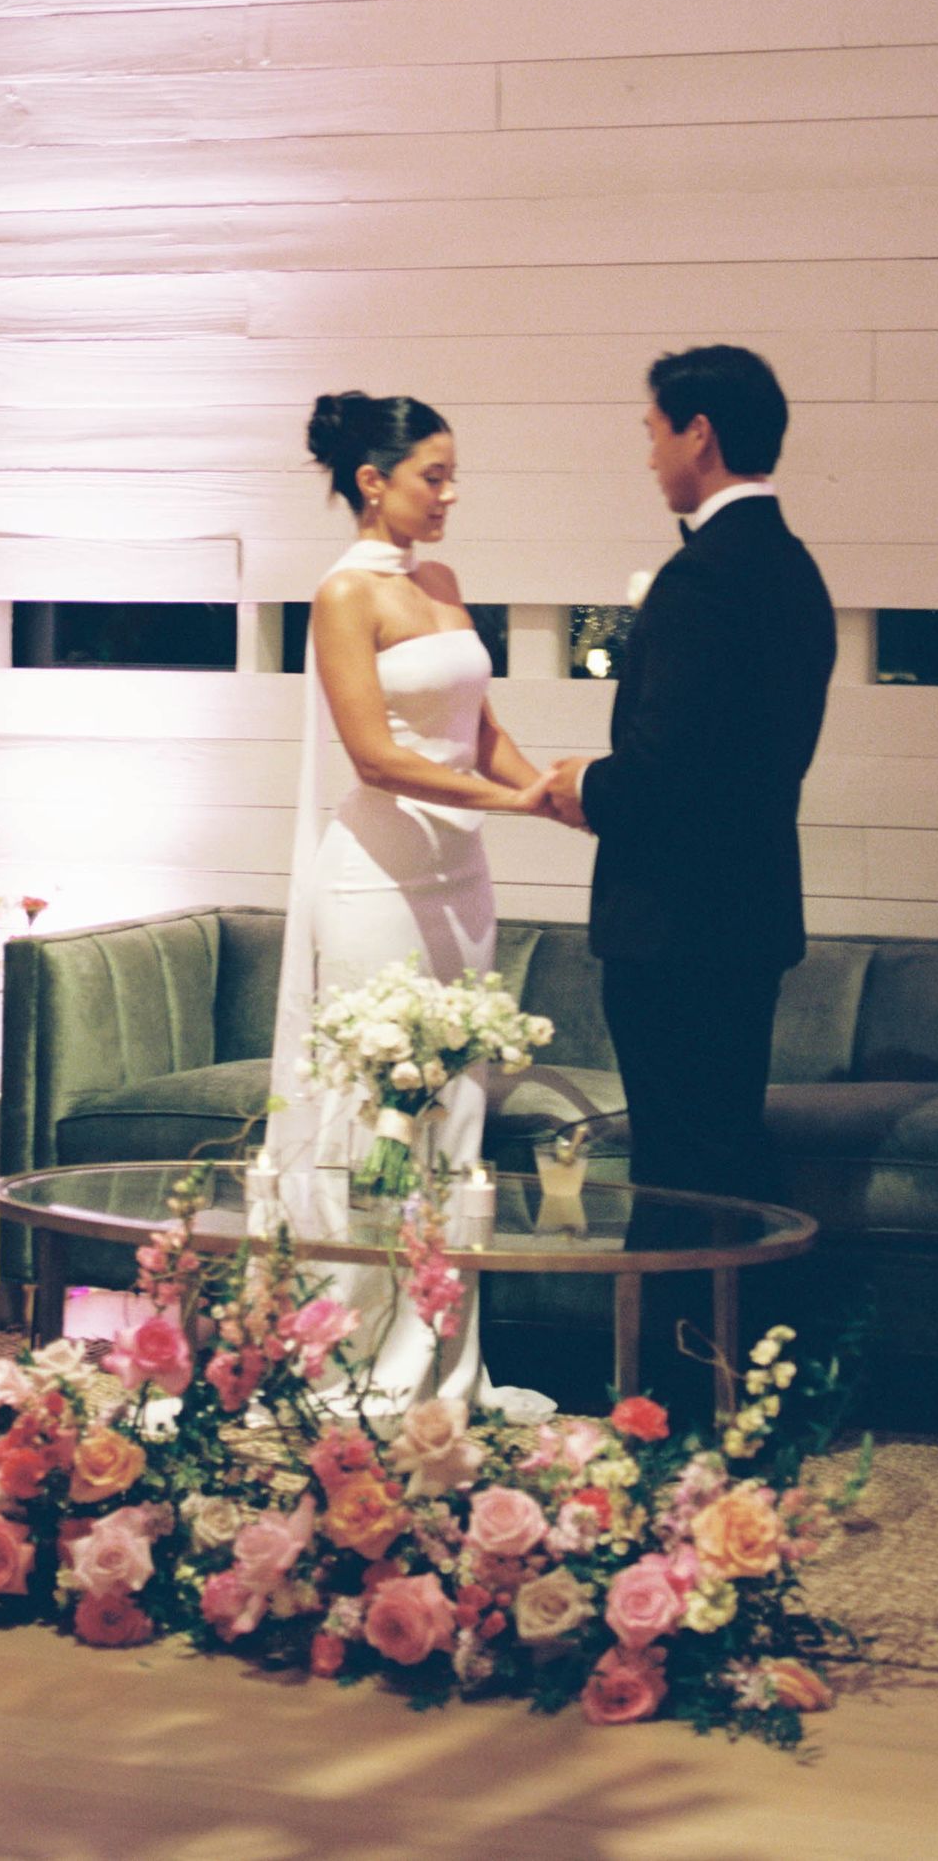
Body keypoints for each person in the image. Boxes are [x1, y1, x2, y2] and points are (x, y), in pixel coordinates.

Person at [542, 346, 835, 1416]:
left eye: (654, 428)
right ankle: (750, 1383)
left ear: (699, 432)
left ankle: (674, 1396)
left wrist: (585, 783)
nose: (651, 451)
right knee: (728, 1153)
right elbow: (754, 760)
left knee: (679, 1172)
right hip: (748, 915)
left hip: (675, 925)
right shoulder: (793, 566)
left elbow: (673, 775)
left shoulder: (705, 576)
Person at [265, 391, 550, 1411]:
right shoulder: (345, 595)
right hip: (377, 878)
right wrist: (514, 799)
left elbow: (479, 731)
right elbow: (377, 757)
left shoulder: (443, 581)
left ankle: (441, 1358)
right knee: (373, 1105)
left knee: (455, 1107)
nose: (450, 494)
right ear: (374, 481)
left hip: (460, 878)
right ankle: (351, 1352)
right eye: (434, 476)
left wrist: (560, 796)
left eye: (452, 475)